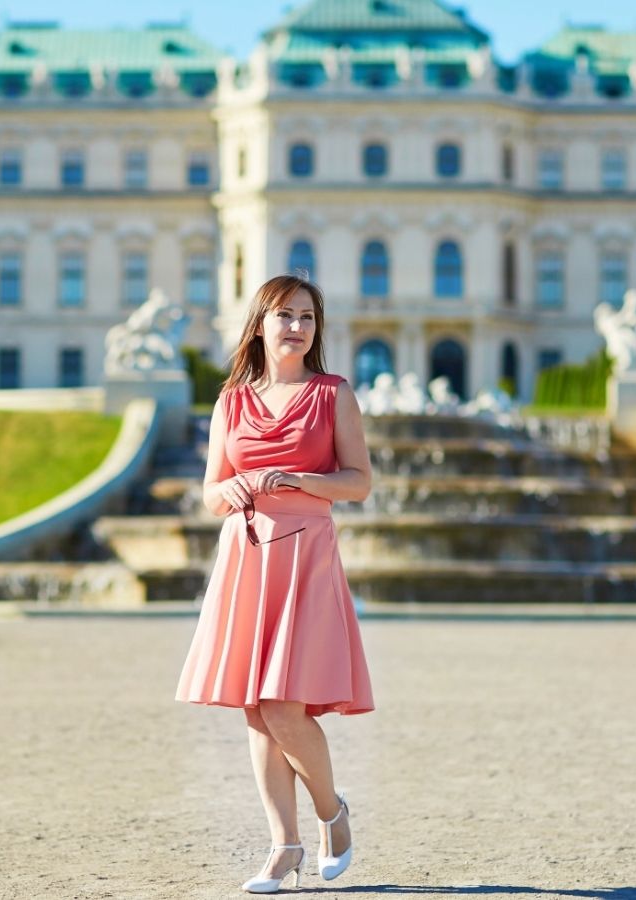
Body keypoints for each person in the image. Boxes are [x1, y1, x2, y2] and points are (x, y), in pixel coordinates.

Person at [173, 273, 376, 893]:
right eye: (285, 315)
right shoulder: (230, 400)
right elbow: (210, 492)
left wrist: (300, 480)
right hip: (247, 555)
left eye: (308, 317)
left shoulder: (333, 394)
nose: (297, 326)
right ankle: (284, 848)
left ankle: (330, 815)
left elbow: (359, 482)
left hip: (306, 553)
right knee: (257, 709)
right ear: (259, 323)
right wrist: (228, 489)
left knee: (285, 706)